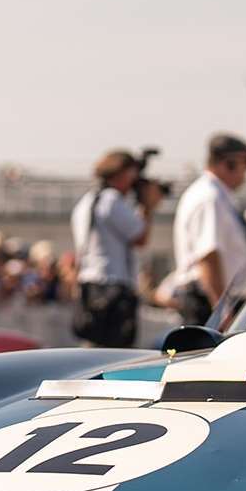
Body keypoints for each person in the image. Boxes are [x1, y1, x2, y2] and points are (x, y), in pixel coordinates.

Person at [71, 148, 162, 347]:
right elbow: (140, 237)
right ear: (121, 174)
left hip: (90, 286)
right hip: (112, 288)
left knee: (93, 347)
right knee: (115, 351)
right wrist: (148, 206)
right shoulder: (111, 200)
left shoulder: (87, 201)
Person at [168, 132, 246, 327]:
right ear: (229, 163)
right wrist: (220, 309)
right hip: (208, 302)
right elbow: (208, 257)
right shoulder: (210, 197)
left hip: (215, 300)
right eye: (245, 164)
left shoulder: (218, 196)